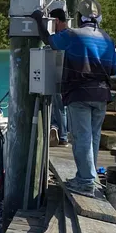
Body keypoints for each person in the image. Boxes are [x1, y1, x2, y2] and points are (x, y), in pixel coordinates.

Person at [31, 0, 116, 198]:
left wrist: (38, 21)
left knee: (82, 138)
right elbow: (112, 70)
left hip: (80, 93)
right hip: (102, 95)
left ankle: (85, 182)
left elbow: (49, 41)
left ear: (78, 17)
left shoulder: (72, 35)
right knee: (93, 137)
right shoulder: (108, 39)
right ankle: (88, 177)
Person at [48, 8, 69, 147]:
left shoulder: (63, 35)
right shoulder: (71, 34)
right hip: (69, 76)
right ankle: (56, 128)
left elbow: (49, 40)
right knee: (61, 107)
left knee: (59, 106)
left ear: (56, 21)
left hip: (63, 76)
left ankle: (63, 136)